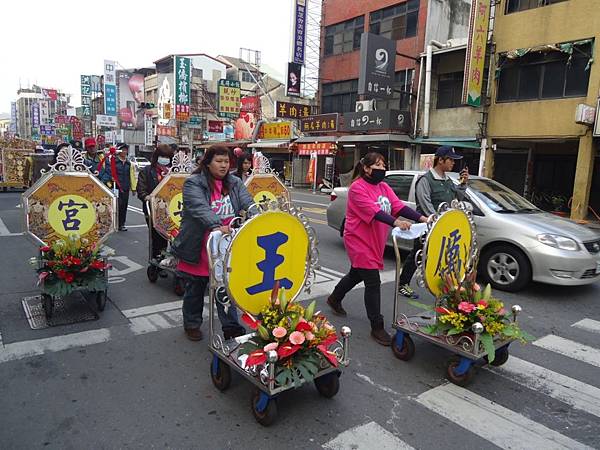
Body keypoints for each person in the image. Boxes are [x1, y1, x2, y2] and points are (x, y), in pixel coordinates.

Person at [326, 152, 429, 346]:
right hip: (358, 239)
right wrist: (396, 222)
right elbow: (374, 212)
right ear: (366, 168)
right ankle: (377, 326)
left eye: (384, 165)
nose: (382, 169)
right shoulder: (357, 188)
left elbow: (398, 206)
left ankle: (335, 297)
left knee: (357, 274)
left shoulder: (384, 186)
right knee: (372, 281)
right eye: (378, 165)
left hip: (375, 239)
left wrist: (422, 218)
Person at [170, 145, 253, 342]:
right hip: (200, 245)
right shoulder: (193, 183)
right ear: (207, 162)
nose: (223, 165)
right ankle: (191, 323)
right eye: (219, 161)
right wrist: (217, 225)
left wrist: (258, 217)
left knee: (225, 289)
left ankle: (231, 328)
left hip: (225, 247)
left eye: (226, 162)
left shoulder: (235, 182)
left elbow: (248, 203)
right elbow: (199, 208)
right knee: (195, 290)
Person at [397, 146, 469, 299]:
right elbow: (425, 205)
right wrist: (437, 221)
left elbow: (456, 200)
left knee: (442, 256)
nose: (453, 163)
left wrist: (463, 184)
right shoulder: (425, 180)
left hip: (444, 227)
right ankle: (403, 284)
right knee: (418, 254)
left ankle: (444, 287)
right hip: (428, 227)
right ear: (440, 160)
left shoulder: (448, 180)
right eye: (450, 160)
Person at [137, 144, 175, 263]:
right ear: (157, 156)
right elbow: (141, 189)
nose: (165, 159)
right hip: (154, 209)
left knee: (175, 235)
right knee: (158, 236)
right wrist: (147, 197)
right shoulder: (147, 171)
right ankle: (158, 259)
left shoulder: (174, 171)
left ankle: (174, 259)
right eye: (162, 156)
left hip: (173, 208)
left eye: (167, 157)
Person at [99, 143, 137, 231]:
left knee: (124, 206)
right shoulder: (114, 161)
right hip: (116, 188)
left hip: (125, 188)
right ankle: (114, 223)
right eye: (122, 150)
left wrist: (134, 188)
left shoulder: (129, 164)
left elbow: (132, 176)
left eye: (126, 150)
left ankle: (122, 224)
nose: (124, 152)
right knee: (116, 206)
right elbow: (109, 172)